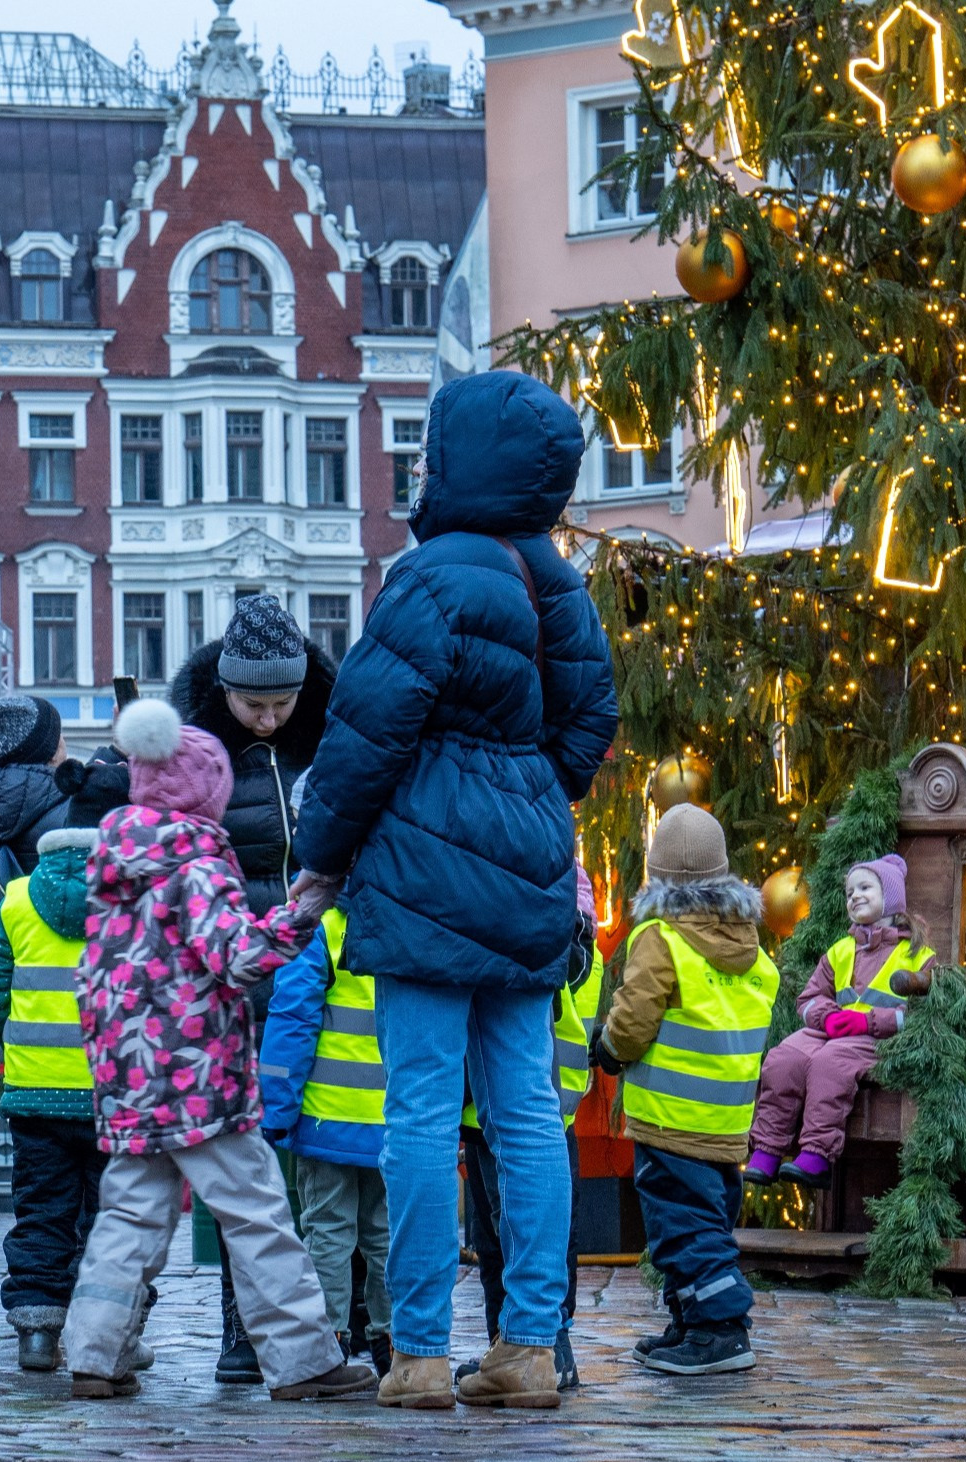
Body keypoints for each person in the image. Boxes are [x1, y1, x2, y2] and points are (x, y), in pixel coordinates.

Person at [289, 370, 618, 1409]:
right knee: (525, 1113)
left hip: (416, 870)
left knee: (420, 1114)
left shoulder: (426, 577)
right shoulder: (554, 582)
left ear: (454, 461)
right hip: (526, 862)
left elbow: (363, 734)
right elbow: (588, 722)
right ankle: (528, 1344)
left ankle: (419, 1351)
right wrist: (521, 791)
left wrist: (322, 858)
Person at [60, 699, 372, 1404]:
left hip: (130, 1077)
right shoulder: (196, 861)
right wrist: (305, 908)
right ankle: (302, 1359)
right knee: (257, 1210)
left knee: (130, 1213)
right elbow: (237, 956)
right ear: (208, 795)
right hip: (199, 1077)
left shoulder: (115, 864)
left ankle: (94, 1352)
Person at [170, 593, 340, 1380]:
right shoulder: (196, 753)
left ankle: (337, 1322)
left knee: (330, 1163)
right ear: (225, 691)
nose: (267, 719)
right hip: (235, 979)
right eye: (252, 703)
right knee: (246, 1165)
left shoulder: (332, 742)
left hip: (325, 976)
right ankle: (244, 1329)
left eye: (281, 702)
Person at [589, 802, 779, 1376]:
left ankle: (720, 1332)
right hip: (725, 1120)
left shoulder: (659, 936)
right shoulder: (746, 942)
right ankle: (691, 1321)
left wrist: (610, 1050)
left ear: (659, 873)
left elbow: (635, 1014)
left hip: (671, 1119)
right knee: (706, 1219)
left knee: (683, 1228)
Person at [0, 755, 134, 1372]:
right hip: (114, 1096)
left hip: (35, 1095)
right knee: (111, 1218)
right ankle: (107, 1332)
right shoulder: (129, 899)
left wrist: (7, 1031)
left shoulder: (15, 901)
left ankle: (37, 1332)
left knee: (41, 1212)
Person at [459, 870, 607, 1391]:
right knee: (543, 1229)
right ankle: (541, 1341)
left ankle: (526, 1341)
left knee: (500, 1232)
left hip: (495, 1114)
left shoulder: (524, 948)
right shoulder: (588, 956)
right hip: (556, 1115)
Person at [256, 902, 394, 1378]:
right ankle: (394, 1342)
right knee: (388, 1235)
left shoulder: (323, 929)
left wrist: (275, 1107)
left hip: (325, 1120)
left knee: (329, 1232)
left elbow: (291, 1019)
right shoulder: (413, 916)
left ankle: (328, 1342)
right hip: (394, 1122)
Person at [747, 854, 933, 1189]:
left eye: (865, 888)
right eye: (850, 892)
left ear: (890, 897)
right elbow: (809, 999)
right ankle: (767, 1149)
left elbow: (921, 1014)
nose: (855, 896)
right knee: (784, 1057)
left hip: (876, 1037)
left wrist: (868, 1023)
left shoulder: (917, 955)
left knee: (829, 1063)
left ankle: (816, 1155)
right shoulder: (841, 951)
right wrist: (828, 1017)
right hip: (832, 1030)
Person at [0, 694, 71, 977]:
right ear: (52, 751)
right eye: (60, 735)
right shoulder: (71, 811)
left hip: (8, 992)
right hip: (62, 985)